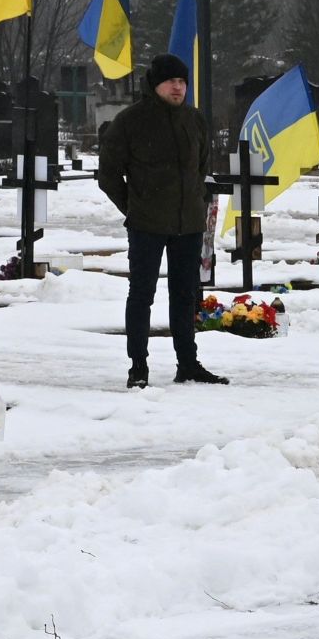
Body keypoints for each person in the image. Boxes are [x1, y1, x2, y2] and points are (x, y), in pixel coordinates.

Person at [94, 52, 223, 388]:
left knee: (184, 295)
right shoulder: (131, 121)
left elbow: (200, 167)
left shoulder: (194, 120)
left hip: (188, 225)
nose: (177, 87)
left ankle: (188, 363)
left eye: (182, 81)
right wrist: (134, 207)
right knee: (142, 295)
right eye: (170, 81)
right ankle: (138, 366)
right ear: (155, 84)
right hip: (147, 225)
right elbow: (108, 174)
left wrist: (195, 201)